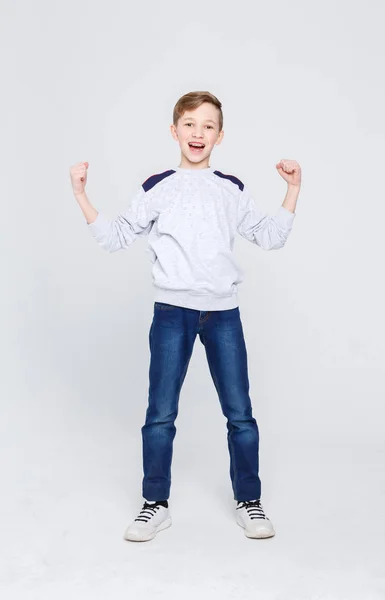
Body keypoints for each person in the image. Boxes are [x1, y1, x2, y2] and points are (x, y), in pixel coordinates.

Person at [69, 91, 301, 542]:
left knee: (241, 415)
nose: (198, 133)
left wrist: (292, 189)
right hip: (172, 312)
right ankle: (155, 503)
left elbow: (269, 237)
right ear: (174, 131)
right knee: (160, 413)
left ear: (220, 135)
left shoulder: (230, 188)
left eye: (208, 125)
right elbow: (116, 237)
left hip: (223, 315)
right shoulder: (158, 186)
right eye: (190, 124)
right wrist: (81, 194)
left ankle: (248, 501)